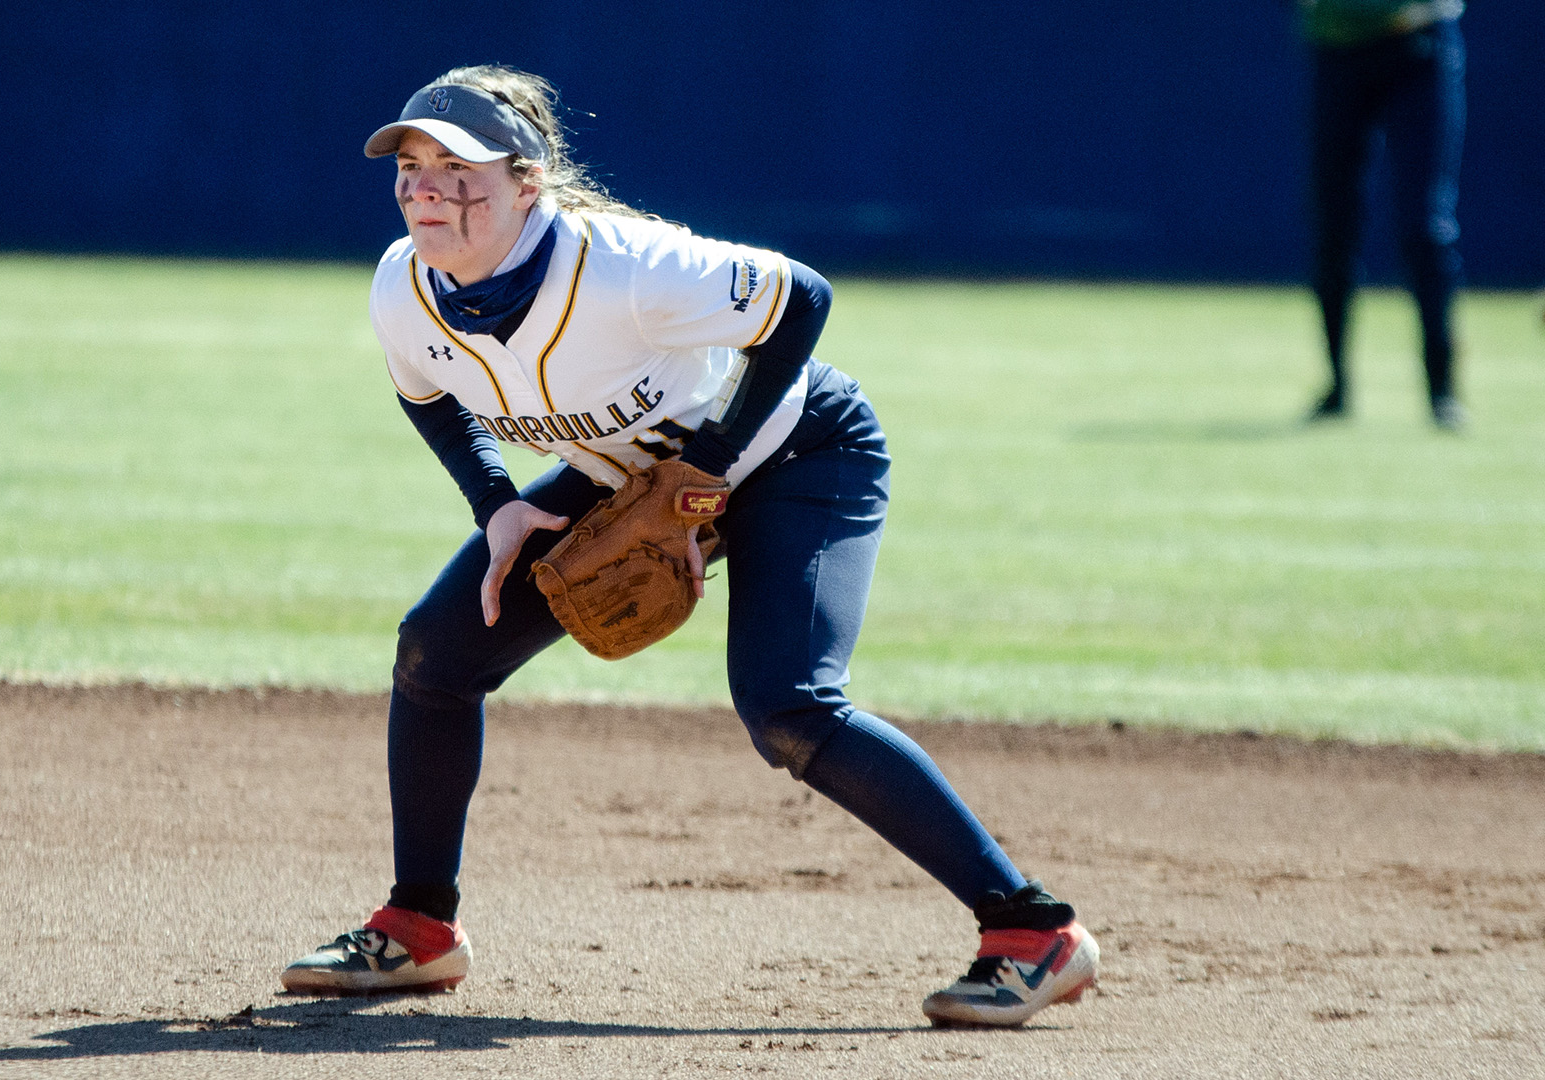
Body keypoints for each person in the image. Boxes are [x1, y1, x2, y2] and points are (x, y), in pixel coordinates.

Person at [278, 66, 1098, 1028]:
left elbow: (801, 299)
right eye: (412, 166)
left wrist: (708, 466)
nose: (425, 189)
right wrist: (493, 502)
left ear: (526, 182)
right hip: (630, 474)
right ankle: (419, 927)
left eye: (457, 170)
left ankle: (1032, 930)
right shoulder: (405, 287)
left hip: (797, 448)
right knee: (436, 654)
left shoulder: (625, 267)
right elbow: (428, 395)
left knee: (790, 708)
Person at [1300, 0, 1467, 429]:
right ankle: (1336, 386)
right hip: (1339, 50)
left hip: (1418, 46)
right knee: (1334, 224)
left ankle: (1443, 391)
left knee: (1423, 226)